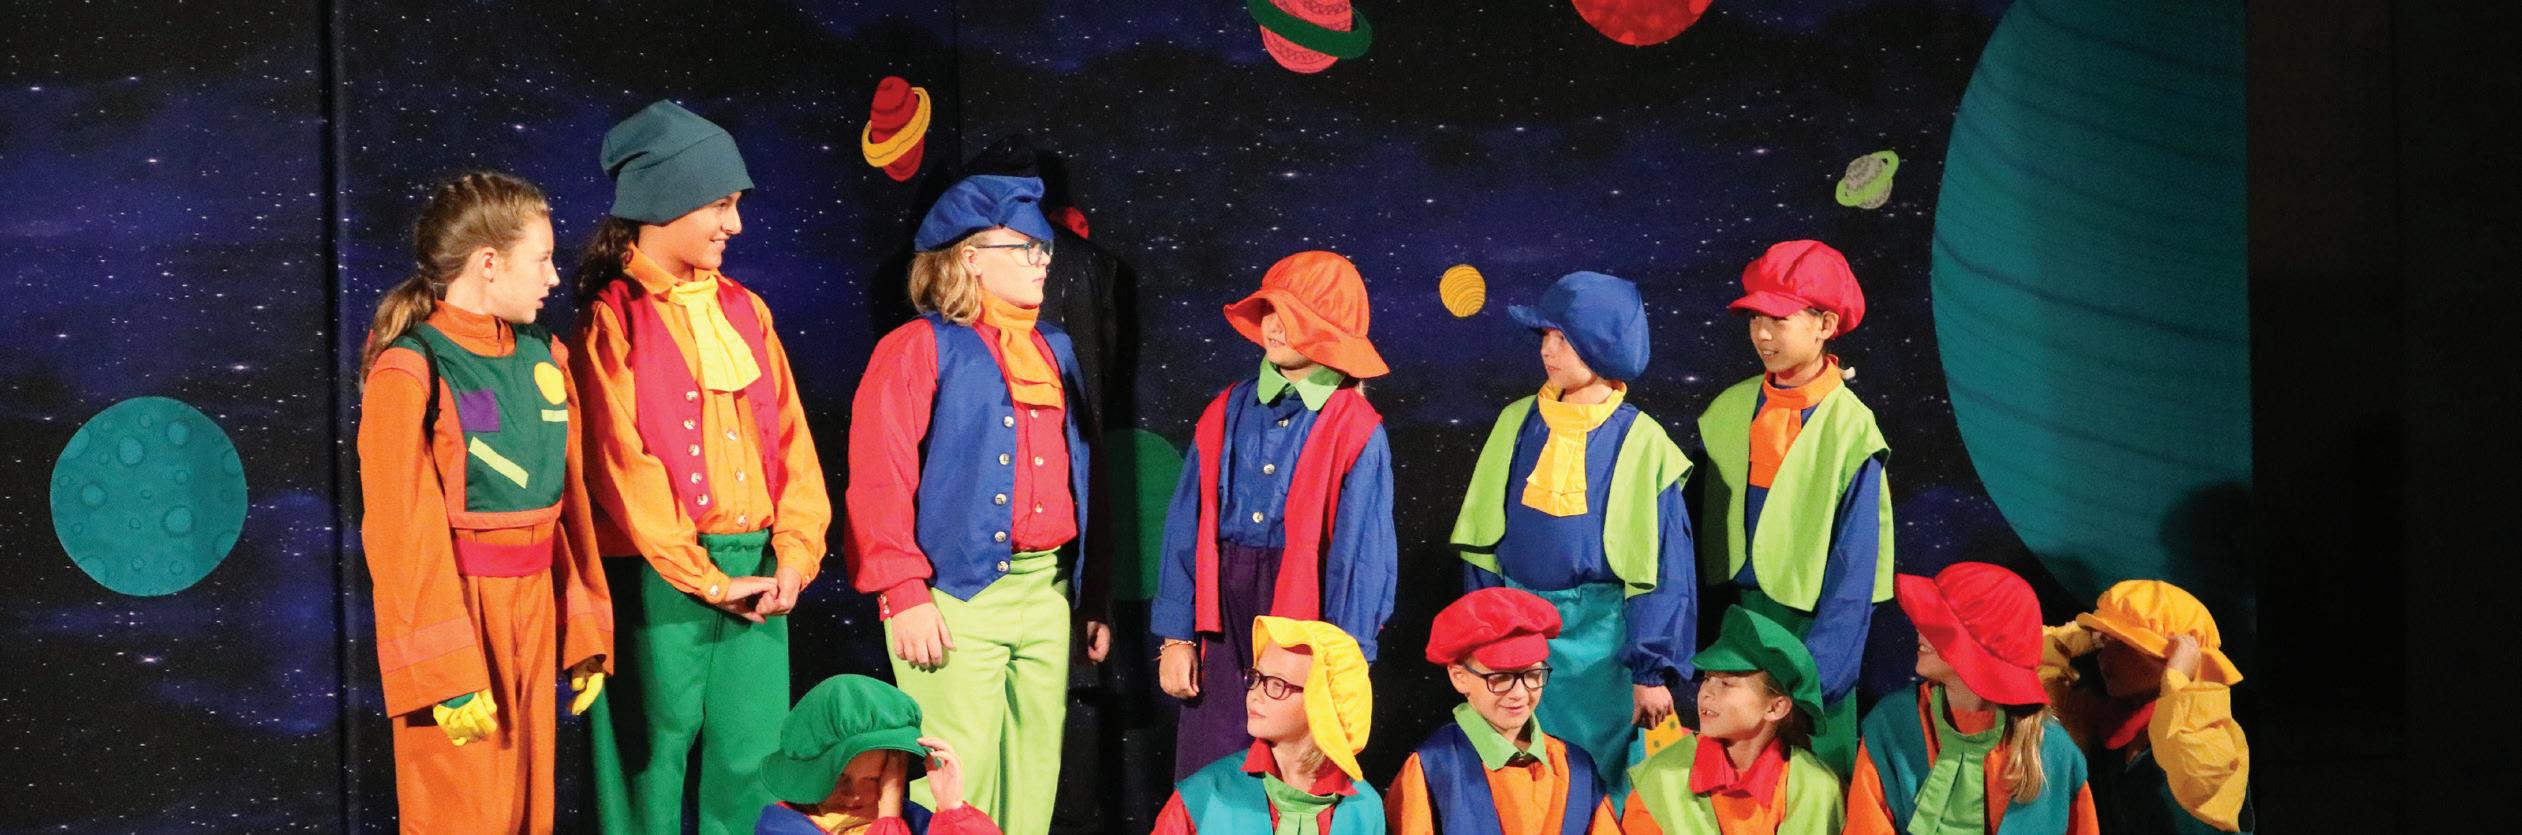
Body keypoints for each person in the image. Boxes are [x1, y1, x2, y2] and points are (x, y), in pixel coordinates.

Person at [572, 99, 832, 835]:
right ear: (666, 199)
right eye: (720, 204)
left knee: (753, 769)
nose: (735, 224)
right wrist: (705, 578)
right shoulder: (614, 317)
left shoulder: (747, 310)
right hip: (659, 580)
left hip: (759, 574)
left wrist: (795, 555)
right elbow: (621, 467)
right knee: (649, 772)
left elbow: (794, 447)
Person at [846, 173, 1106, 835]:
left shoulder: (1055, 348)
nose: (1042, 262)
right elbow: (879, 478)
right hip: (956, 599)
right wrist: (902, 590)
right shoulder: (917, 347)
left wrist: (1090, 596)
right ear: (970, 256)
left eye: (1045, 250)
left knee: (1033, 779)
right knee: (958, 786)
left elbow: (1082, 473)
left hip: (1045, 594)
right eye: (1025, 248)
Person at [355, 170, 611, 833]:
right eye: (542, 259)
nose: (554, 277)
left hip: (535, 610)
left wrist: (582, 629)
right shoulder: (411, 368)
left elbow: (568, 506)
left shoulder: (544, 357)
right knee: (461, 812)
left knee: (529, 813)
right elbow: (401, 535)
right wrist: (443, 669)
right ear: (489, 263)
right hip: (459, 613)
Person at [1152, 251, 1397, 779]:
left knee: (1289, 767)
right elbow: (1186, 525)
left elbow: (1362, 557)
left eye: (1294, 314)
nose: (1275, 325)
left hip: (1305, 610)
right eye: (1270, 310)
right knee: (1210, 762)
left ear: (1329, 328)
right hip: (1221, 609)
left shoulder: (1354, 426)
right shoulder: (1228, 408)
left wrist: (1345, 661)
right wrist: (1177, 636)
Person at [1451, 270, 1697, 791]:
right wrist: (1483, 637)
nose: (1548, 349)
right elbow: (1481, 542)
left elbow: (1664, 568)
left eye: (1563, 337)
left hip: (1605, 645)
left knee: (1601, 774)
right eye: (1545, 335)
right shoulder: (1517, 423)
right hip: (1518, 635)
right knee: (1524, 770)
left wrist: (1650, 670)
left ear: (1602, 344)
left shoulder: (1643, 441)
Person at [1695, 240, 1893, 777]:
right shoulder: (1728, 409)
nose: (1762, 334)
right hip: (1735, 623)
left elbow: (1854, 570)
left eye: (1779, 319)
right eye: (1755, 318)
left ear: (1825, 324)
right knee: (1732, 774)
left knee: (1811, 776)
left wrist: (1820, 676)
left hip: (1809, 628)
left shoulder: (1851, 430)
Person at [1845, 563, 2097, 835]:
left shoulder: (2053, 750)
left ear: (1977, 649)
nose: (1919, 630)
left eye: (1937, 625)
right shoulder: (1893, 723)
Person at [1386, 588, 1618, 835]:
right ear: (1459, 677)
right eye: (1500, 677)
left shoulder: (1576, 768)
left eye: (1532, 674)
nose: (1519, 692)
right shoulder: (1433, 768)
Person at [2041, 580, 2253, 833]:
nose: (2104, 657)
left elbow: (2196, 775)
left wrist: (2177, 685)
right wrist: (2068, 639)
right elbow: (2031, 675)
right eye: (2103, 642)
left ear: (2174, 659)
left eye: (2123, 646)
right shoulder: (2106, 723)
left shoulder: (2211, 736)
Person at [1620, 606, 1844, 835]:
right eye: (1707, 678)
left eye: (1726, 684)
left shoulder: (1818, 789)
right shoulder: (1660, 779)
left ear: (1776, 707)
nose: (1706, 692)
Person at [1152, 617, 1382, 835]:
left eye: (1276, 684)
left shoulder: (1363, 808)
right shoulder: (1204, 796)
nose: (1255, 694)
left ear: (1324, 702)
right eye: (1256, 677)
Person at [754, 675, 1001, 835]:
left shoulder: (912, 817)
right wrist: (889, 816)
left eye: (873, 779)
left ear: (895, 776)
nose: (854, 795)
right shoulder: (781, 825)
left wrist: (953, 809)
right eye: (840, 778)